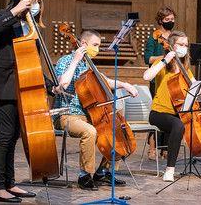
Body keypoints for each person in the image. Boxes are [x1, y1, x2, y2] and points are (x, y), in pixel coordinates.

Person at [0, 0, 54, 203]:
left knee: (14, 137)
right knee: (4, 137)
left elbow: (31, 65)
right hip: (5, 88)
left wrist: (51, 86)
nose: (36, 5)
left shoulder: (31, 28)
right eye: (33, 0)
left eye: (38, 1)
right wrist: (15, 11)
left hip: (23, 89)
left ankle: (10, 183)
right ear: (21, 0)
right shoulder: (6, 17)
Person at [143, 30, 201, 182]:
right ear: (172, 46)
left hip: (180, 112)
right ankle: (169, 170)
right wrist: (165, 60)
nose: (184, 47)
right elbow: (146, 76)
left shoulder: (184, 68)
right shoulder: (162, 62)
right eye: (181, 44)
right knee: (178, 125)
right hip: (159, 113)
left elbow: (194, 85)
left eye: (186, 45)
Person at [53, 30, 138, 191]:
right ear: (83, 44)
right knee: (90, 132)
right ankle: (84, 175)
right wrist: (75, 61)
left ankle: (103, 171)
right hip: (67, 114)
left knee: (115, 128)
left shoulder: (88, 65)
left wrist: (125, 85)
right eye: (95, 45)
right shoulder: (66, 60)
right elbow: (62, 84)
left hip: (87, 114)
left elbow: (105, 81)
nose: (97, 49)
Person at [143, 6, 176, 160]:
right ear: (160, 21)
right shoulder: (154, 38)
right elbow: (147, 59)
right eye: (167, 20)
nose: (170, 22)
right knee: (158, 114)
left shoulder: (174, 37)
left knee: (171, 115)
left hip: (172, 80)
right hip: (158, 80)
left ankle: (166, 149)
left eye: (172, 19)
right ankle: (152, 148)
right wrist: (163, 57)